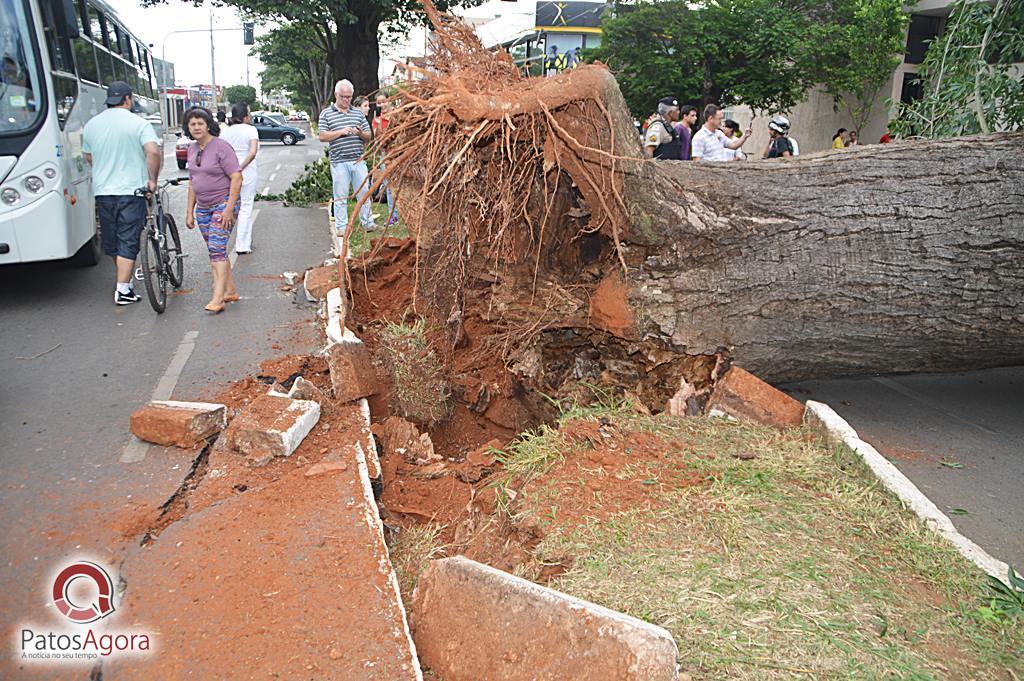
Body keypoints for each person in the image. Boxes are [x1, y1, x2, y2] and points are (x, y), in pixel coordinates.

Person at [82, 81, 161, 306]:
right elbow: (153, 151)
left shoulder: (91, 125)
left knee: (113, 239)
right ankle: (123, 289)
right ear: (128, 99)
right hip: (131, 190)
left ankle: (123, 281)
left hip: (103, 192)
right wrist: (152, 180)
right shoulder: (138, 123)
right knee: (128, 237)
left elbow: (88, 157)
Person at [182, 107, 242, 313]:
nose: (196, 127)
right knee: (216, 250)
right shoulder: (192, 149)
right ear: (188, 128)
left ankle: (218, 298)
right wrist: (189, 211)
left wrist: (229, 208)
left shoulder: (221, 147)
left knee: (216, 248)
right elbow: (193, 181)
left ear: (208, 125)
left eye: (200, 123)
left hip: (223, 203)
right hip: (203, 207)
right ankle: (230, 290)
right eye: (192, 124)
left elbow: (236, 177)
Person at [318, 79, 376, 246]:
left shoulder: (357, 114)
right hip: (339, 161)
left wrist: (359, 133)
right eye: (343, 97)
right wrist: (340, 132)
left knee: (364, 192)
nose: (346, 100)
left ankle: (367, 222)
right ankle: (342, 226)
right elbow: (322, 136)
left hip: (358, 160)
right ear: (336, 95)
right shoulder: (326, 114)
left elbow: (368, 135)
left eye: (349, 97)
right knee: (341, 195)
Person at [220, 102, 259, 255]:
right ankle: (242, 245)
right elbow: (252, 152)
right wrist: (240, 167)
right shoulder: (251, 130)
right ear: (244, 116)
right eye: (248, 113)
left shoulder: (225, 132)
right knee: (246, 207)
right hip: (247, 172)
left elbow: (221, 153)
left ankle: (221, 242)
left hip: (228, 173)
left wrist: (230, 170)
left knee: (228, 206)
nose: (250, 116)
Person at [373, 92, 399, 226]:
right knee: (389, 185)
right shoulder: (377, 120)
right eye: (379, 103)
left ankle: (404, 213)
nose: (382, 105)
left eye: (384, 101)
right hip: (386, 155)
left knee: (401, 185)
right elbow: (379, 139)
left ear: (389, 100)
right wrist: (378, 122)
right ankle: (392, 215)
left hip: (399, 152)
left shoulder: (398, 114)